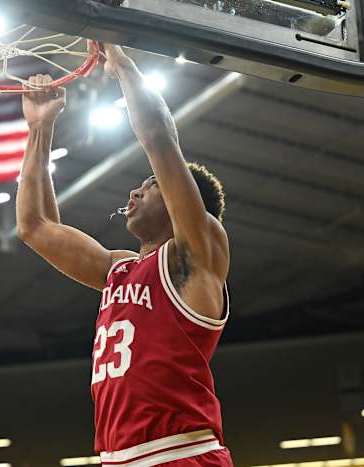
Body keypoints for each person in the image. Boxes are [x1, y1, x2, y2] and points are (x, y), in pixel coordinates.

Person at [16, 42, 232, 467]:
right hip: (118, 458)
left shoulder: (199, 254)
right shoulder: (119, 268)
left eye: (150, 185)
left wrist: (122, 62)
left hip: (181, 452)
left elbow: (158, 138)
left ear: (178, 200)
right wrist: (39, 129)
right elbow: (35, 226)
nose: (134, 190)